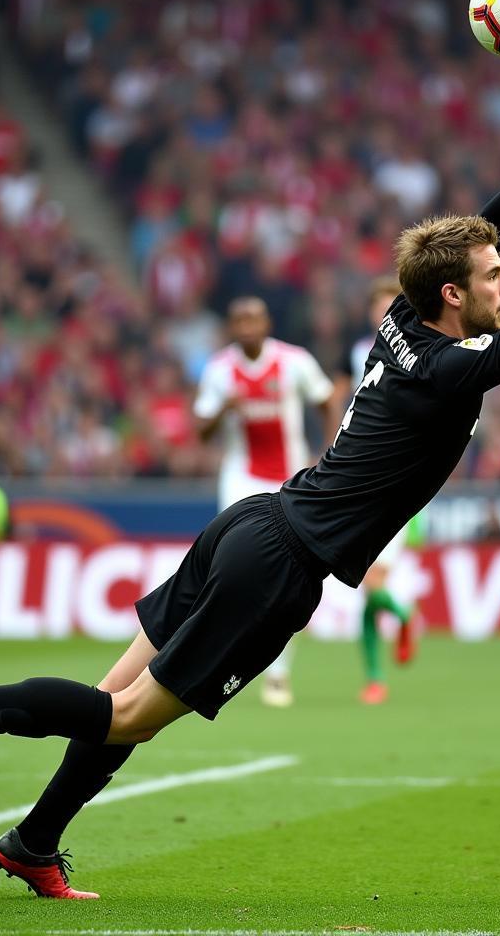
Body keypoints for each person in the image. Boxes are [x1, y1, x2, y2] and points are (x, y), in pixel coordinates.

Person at [0, 80, 500, 900]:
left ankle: (35, 840)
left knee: (110, 698)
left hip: (254, 519)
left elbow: (477, 235)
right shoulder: (447, 371)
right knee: (123, 718)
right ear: (454, 294)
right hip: (279, 567)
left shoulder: (403, 323)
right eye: (494, 278)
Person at [194, 296, 337, 707]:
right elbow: (201, 431)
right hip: (240, 479)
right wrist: (224, 408)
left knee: (288, 575)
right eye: (239, 319)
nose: (246, 326)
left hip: (289, 480)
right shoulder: (220, 370)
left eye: (253, 318)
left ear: (267, 321)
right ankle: (219, 661)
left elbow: (328, 402)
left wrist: (325, 453)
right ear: (231, 326)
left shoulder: (294, 361)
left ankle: (278, 673)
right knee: (230, 568)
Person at [335, 276, 419, 704]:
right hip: (361, 476)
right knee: (364, 586)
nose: (382, 313)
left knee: (371, 581)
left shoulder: (423, 349)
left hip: (399, 480)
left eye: (389, 305)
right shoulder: (359, 352)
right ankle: (375, 674)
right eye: (377, 306)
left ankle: (403, 620)